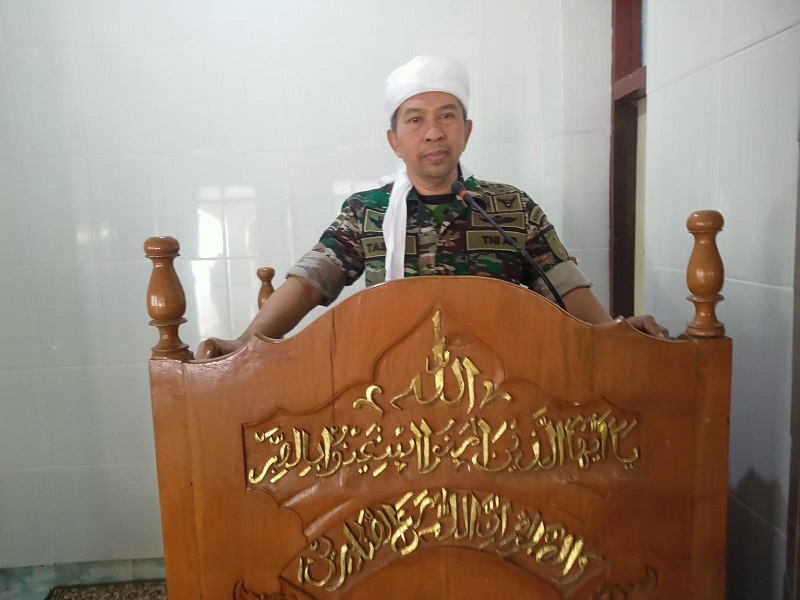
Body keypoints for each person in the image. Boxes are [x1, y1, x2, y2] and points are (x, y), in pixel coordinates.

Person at [206, 56, 666, 356]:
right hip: (390, 387)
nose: (433, 132)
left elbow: (562, 284)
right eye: (415, 119)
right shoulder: (367, 211)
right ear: (395, 140)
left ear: (466, 131)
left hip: (505, 387)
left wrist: (614, 333)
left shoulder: (510, 206)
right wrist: (245, 343)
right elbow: (310, 282)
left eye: (447, 116)